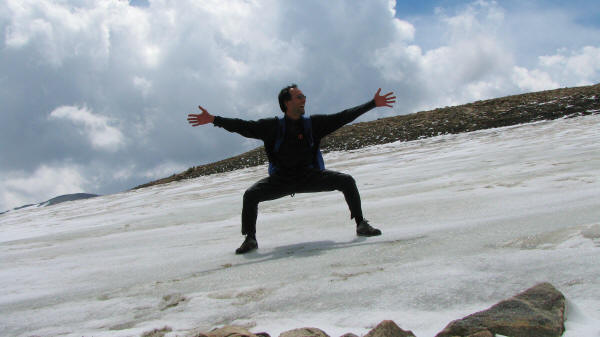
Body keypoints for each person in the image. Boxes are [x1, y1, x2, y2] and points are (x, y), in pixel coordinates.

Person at [187, 84, 396, 254]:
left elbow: (343, 116)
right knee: (251, 195)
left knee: (346, 181)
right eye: (299, 97)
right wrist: (214, 120)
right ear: (287, 103)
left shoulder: (313, 124)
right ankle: (250, 238)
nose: (304, 99)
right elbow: (244, 126)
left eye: (304, 96)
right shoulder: (272, 127)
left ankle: (361, 224)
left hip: (309, 176)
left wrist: (372, 104)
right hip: (282, 179)